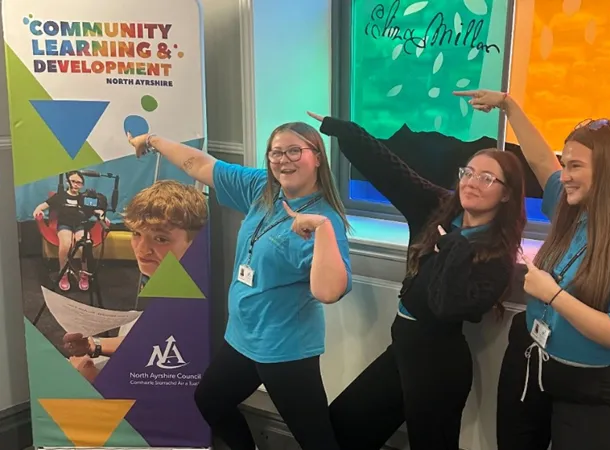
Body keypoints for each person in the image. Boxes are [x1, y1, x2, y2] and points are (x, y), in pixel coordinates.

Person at [455, 89, 610, 449]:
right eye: (566, 163)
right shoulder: (572, 208)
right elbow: (542, 162)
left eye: (575, 166)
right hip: (531, 364)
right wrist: (509, 106)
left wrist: (553, 295)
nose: (565, 175)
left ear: (608, 172)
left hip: (589, 388)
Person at [306, 111, 526, 450]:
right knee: (345, 424)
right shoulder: (438, 208)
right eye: (468, 173)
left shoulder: (498, 254)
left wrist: (453, 245)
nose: (471, 182)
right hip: (404, 348)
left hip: (439, 365)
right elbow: (391, 171)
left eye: (487, 179)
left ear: (507, 194)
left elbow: (448, 306)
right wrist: (342, 130)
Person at [126, 123, 352, 450]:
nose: (283, 160)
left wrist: (321, 230)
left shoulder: (323, 218)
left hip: (284, 349)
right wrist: (152, 140)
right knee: (210, 401)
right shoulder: (262, 188)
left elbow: (329, 292)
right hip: (242, 339)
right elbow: (199, 165)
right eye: (276, 152)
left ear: (317, 157)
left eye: (294, 151)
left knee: (316, 441)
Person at [63, 180, 209, 380]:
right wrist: (93, 345)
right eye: (136, 234)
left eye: (161, 239)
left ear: (194, 242)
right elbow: (148, 341)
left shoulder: (194, 300)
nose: (141, 250)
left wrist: (90, 375)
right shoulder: (165, 279)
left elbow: (169, 382)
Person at [33, 171, 106, 291]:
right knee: (66, 244)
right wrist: (38, 210)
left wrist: (101, 213)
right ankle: (63, 273)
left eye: (79, 182)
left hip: (80, 225)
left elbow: (95, 210)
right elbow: (43, 205)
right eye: (73, 181)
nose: (76, 185)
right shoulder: (60, 196)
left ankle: (84, 274)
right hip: (64, 225)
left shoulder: (84, 197)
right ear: (68, 182)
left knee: (83, 246)